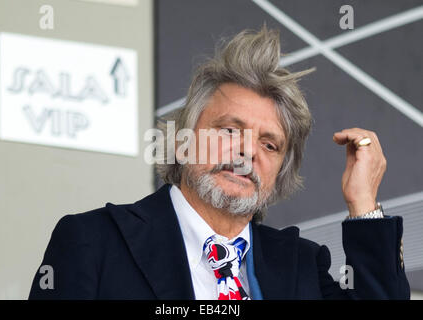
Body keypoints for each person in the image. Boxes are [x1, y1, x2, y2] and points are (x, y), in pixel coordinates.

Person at [29, 27, 410, 300]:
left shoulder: (300, 265)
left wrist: (364, 207)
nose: (247, 152)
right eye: (229, 131)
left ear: (280, 174)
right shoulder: (92, 242)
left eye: (270, 144)